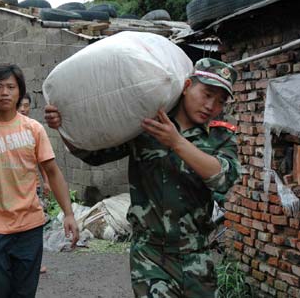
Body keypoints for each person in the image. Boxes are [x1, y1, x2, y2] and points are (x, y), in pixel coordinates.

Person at [44, 58, 241, 297]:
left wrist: (177, 142)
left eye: (220, 101)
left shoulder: (220, 136)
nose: (211, 106)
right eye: (207, 94)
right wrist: (63, 127)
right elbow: (93, 154)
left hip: (196, 253)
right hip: (150, 254)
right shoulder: (146, 124)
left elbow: (223, 178)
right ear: (188, 85)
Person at [0, 63, 79, 298]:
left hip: (29, 225)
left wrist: (68, 214)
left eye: (11, 87)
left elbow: (52, 171)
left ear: (20, 92)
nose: (5, 92)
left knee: (24, 292)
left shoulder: (33, 129)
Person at [18, 92, 50, 274]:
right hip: (12, 189)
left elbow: (42, 160)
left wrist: (46, 181)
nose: (23, 109)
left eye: (27, 105)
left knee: (34, 225)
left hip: (33, 186)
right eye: (21, 105)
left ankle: (35, 263)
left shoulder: (34, 129)